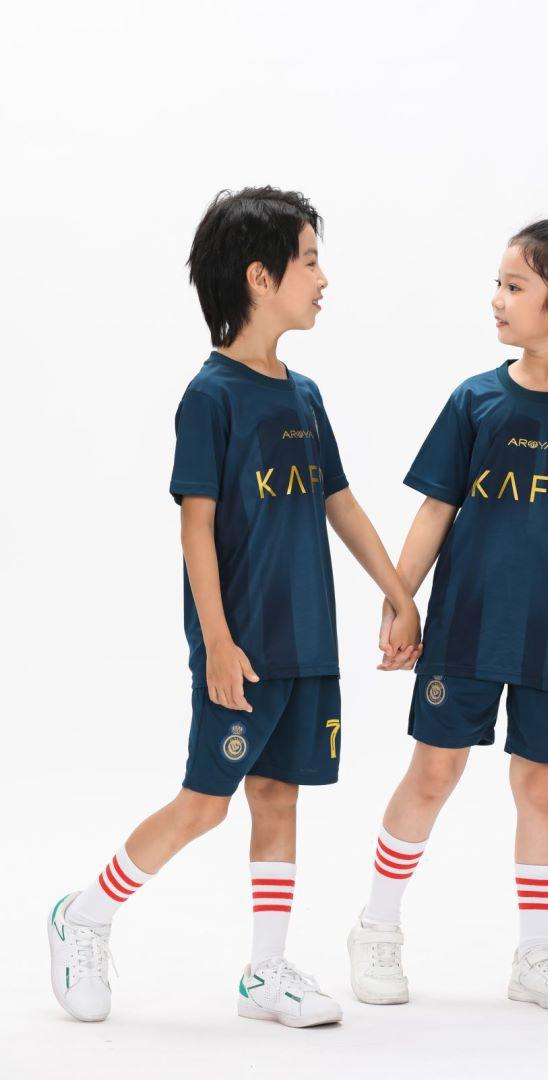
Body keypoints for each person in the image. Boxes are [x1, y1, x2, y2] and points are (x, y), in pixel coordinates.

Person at [48, 186, 420, 1028]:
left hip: (306, 641)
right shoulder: (210, 396)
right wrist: (216, 642)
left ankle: (266, 973)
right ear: (260, 276)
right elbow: (196, 526)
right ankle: (85, 914)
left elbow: (341, 503)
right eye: (310, 261)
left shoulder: (306, 395)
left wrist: (400, 595)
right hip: (243, 645)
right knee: (206, 803)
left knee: (279, 797)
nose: (323, 279)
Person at [348, 216, 548, 1012]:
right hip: (464, 628)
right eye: (498, 283)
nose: (495, 298)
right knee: (434, 773)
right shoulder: (476, 400)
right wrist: (400, 601)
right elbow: (434, 511)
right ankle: (376, 926)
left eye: (514, 286)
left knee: (540, 787)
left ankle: (535, 956)